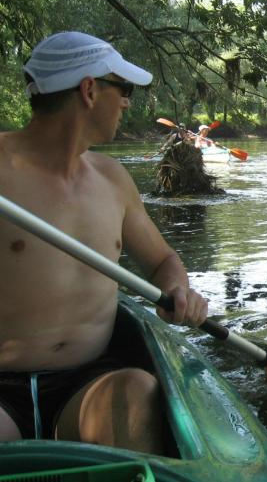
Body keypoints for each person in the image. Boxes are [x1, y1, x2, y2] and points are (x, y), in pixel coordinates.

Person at [0, 31, 208, 453]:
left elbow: (162, 260)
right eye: (124, 90)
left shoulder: (113, 180)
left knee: (137, 391)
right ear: (90, 90)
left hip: (85, 384)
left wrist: (177, 288)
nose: (128, 102)